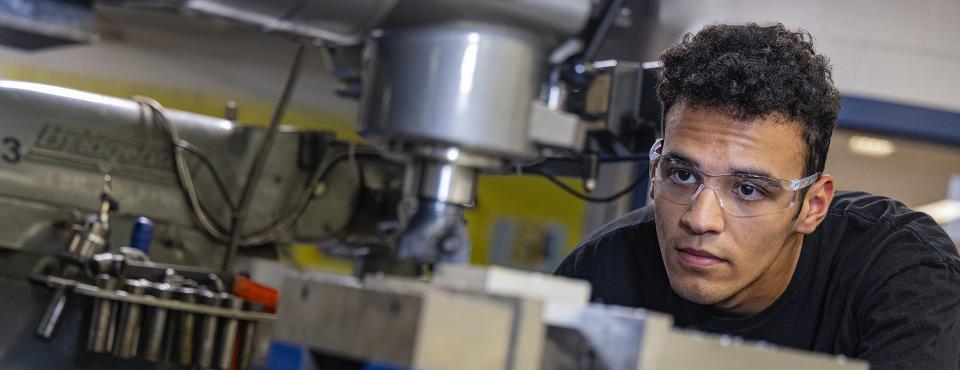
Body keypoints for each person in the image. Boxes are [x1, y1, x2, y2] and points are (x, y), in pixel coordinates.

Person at [555, 22, 960, 369]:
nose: (700, 219)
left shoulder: (899, 274)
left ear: (812, 206)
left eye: (748, 190)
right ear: (653, 170)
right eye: (681, 174)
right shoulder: (601, 273)